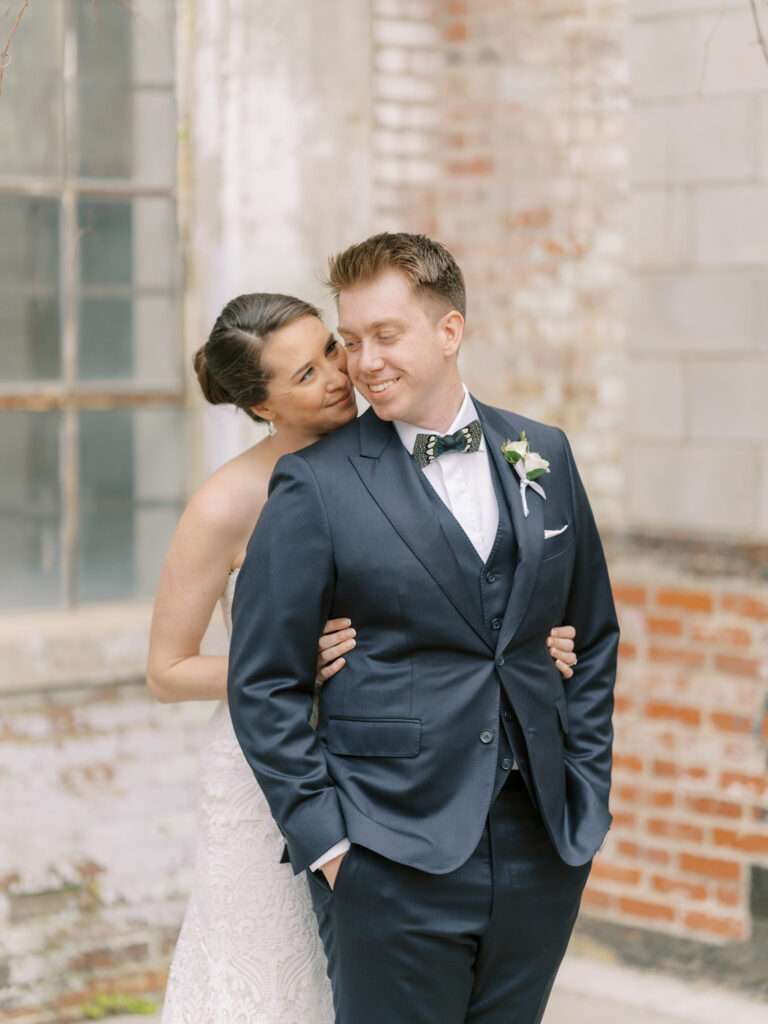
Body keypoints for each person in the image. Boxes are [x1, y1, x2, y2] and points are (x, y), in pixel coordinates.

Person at [147, 290, 580, 1022]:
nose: (340, 374)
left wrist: (531, 645)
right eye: (307, 375)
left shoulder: (404, 446)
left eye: (330, 348)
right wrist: (282, 662)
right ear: (261, 407)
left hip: (406, 786)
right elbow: (165, 670)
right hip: (279, 770)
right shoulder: (225, 504)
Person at [228, 233, 620, 1024]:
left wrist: (584, 788)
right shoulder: (315, 483)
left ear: (449, 332)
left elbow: (594, 634)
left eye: (386, 335)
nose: (362, 362)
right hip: (387, 850)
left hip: (540, 841)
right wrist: (333, 849)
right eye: (350, 340)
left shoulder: (542, 451)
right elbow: (262, 680)